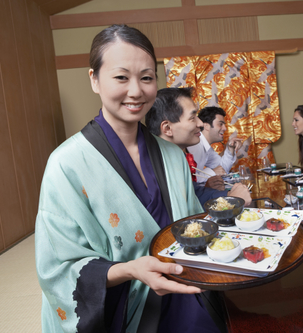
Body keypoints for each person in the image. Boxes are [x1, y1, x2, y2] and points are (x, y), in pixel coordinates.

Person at [35, 25, 227, 333]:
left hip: (183, 290)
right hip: (124, 306)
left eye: (147, 77)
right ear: (94, 79)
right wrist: (129, 270)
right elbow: (58, 269)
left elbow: (195, 226)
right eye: (121, 77)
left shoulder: (172, 155)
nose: (136, 91)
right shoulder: (66, 164)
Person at [145, 87, 252, 207]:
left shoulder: (176, 157)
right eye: (192, 118)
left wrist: (229, 196)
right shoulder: (149, 170)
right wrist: (230, 199)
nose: (200, 123)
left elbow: (194, 192)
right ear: (167, 128)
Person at [187, 106, 242, 182]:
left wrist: (230, 148)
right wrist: (212, 172)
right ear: (206, 126)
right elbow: (190, 179)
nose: (225, 128)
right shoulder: (195, 146)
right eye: (220, 124)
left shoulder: (206, 147)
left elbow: (222, 168)